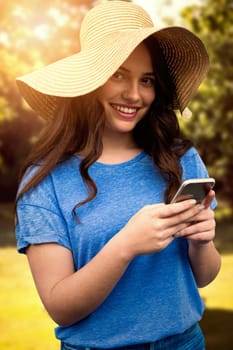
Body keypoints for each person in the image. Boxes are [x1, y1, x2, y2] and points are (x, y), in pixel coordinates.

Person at [15, 1, 221, 350]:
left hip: (185, 342)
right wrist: (125, 245)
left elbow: (204, 277)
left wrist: (203, 242)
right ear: (90, 80)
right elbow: (61, 308)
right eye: (118, 75)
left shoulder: (180, 159)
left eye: (147, 80)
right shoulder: (45, 180)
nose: (134, 95)